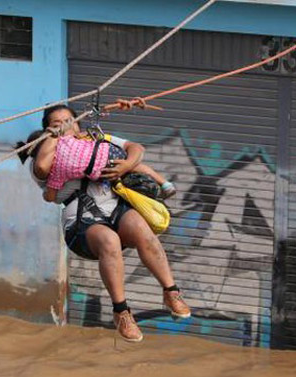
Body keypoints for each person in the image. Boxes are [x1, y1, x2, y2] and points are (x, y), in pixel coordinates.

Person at [18, 105, 190, 342]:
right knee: (110, 240)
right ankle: (121, 312)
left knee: (142, 228)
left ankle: (171, 292)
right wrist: (54, 137)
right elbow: (41, 168)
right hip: (81, 222)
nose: (66, 125)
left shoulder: (95, 140)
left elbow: (135, 149)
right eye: (57, 123)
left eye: (70, 120)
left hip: (115, 208)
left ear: (78, 123)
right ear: (47, 129)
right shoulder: (43, 154)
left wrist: (127, 165)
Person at [34, 125, 176, 203]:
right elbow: (70, 128)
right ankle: (165, 183)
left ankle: (153, 193)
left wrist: (45, 195)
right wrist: (127, 164)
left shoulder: (56, 174)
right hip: (107, 150)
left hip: (101, 170)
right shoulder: (67, 138)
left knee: (128, 174)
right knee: (135, 167)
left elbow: (52, 197)